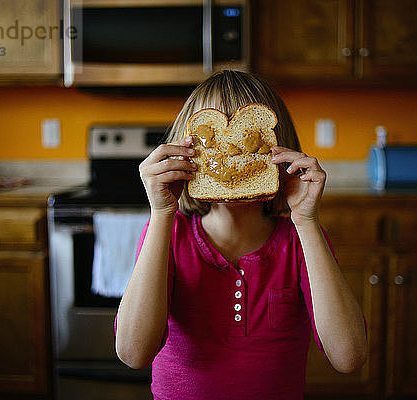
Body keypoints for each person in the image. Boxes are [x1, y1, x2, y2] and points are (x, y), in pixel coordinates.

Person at [115, 70, 367, 400]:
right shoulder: (168, 232)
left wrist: (306, 221)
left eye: (249, 138)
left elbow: (349, 357)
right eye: (212, 142)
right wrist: (162, 213)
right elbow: (134, 354)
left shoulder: (301, 239)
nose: (231, 154)